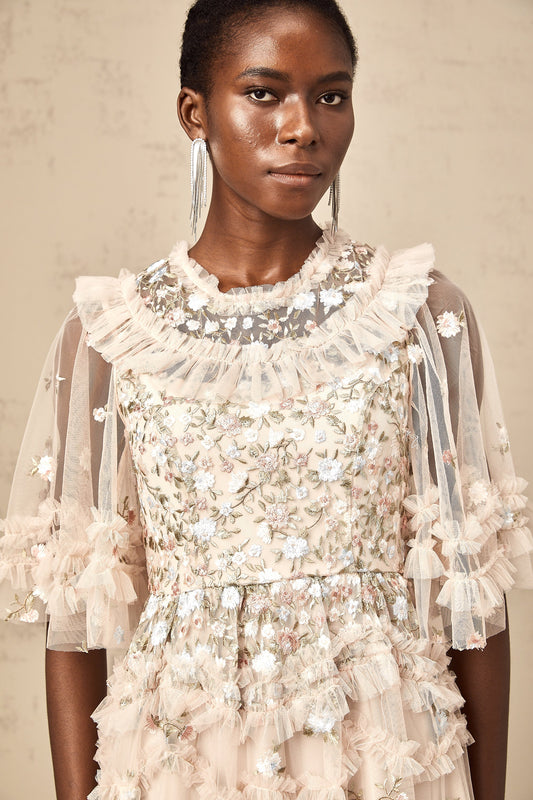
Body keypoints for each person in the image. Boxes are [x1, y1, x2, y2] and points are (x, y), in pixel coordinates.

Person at [0, 1, 531, 799]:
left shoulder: (419, 315)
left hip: (384, 757)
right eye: (262, 93)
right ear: (195, 113)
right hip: (181, 762)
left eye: (330, 95)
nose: (302, 128)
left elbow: (473, 605)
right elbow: (72, 626)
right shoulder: (110, 336)